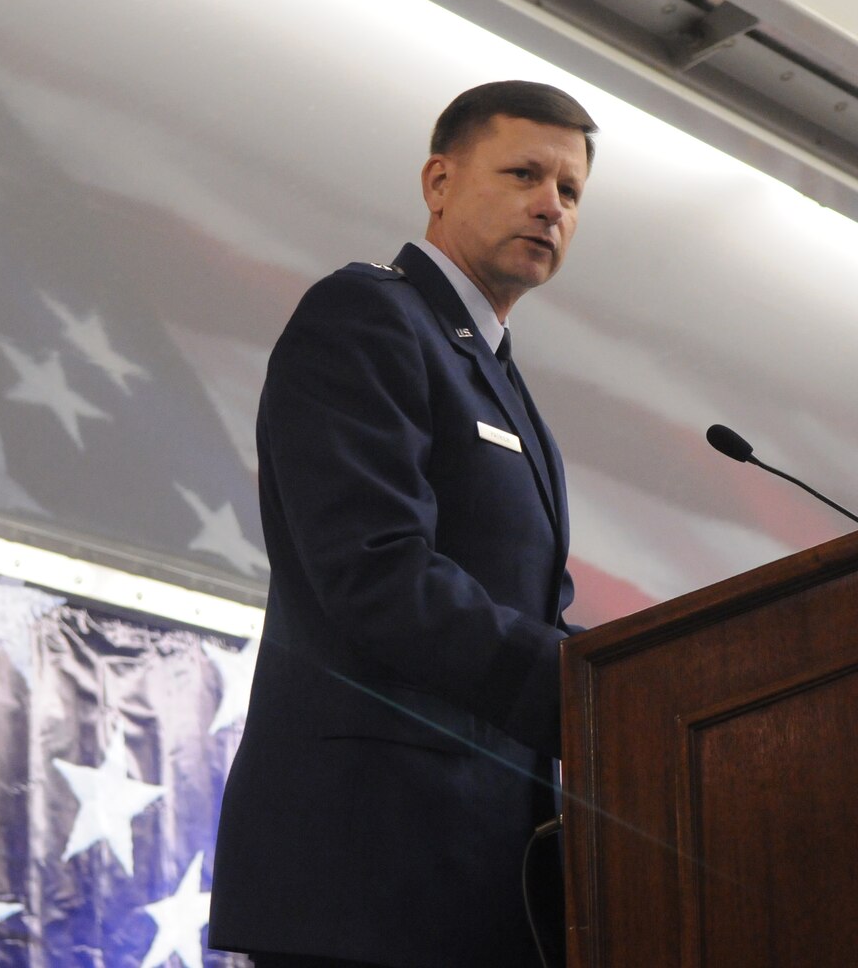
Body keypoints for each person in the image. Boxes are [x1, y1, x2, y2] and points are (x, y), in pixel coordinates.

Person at [209, 81, 598, 968]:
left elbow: (532, 608)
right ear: (438, 181)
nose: (550, 205)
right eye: (524, 173)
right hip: (367, 871)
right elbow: (376, 570)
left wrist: (641, 688)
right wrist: (589, 695)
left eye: (570, 192)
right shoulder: (369, 316)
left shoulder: (501, 379)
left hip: (483, 887)